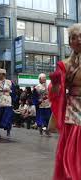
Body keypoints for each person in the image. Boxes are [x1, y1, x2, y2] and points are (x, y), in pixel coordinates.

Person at [49, 23, 81, 180]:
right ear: (70, 42)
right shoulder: (65, 64)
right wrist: (55, 84)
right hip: (75, 106)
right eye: (74, 38)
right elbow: (56, 93)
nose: (79, 40)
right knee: (74, 143)